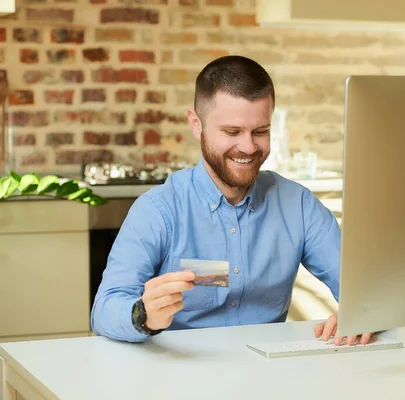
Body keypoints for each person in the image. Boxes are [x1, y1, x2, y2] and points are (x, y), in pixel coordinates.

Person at [91, 55, 371, 346]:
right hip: (180, 378)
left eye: (260, 131)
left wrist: (359, 313)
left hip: (268, 376)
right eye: (232, 132)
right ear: (196, 124)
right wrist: (143, 315)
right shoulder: (158, 210)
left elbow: (361, 291)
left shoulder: (297, 205)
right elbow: (104, 309)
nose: (248, 147)